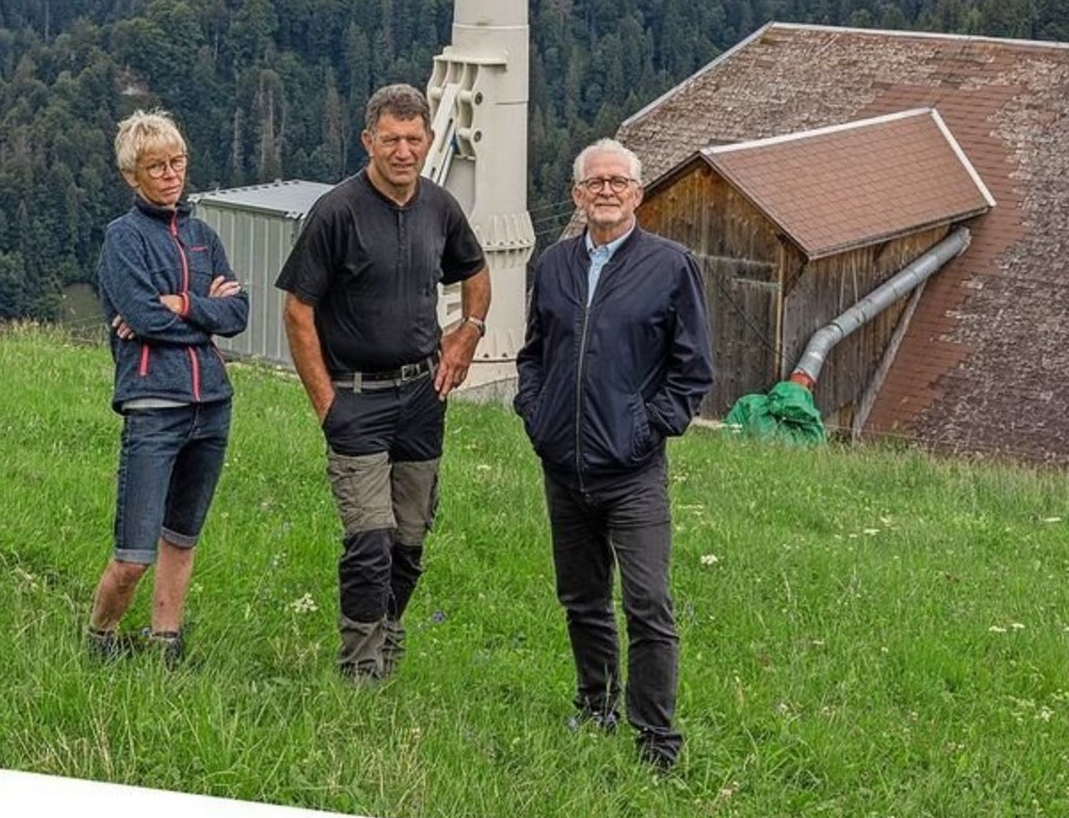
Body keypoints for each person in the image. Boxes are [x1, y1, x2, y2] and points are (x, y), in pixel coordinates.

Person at [276, 82, 491, 682]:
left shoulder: (440, 207)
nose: (403, 150)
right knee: (370, 539)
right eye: (390, 139)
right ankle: (360, 664)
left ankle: (390, 632)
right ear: (368, 140)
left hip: (422, 396)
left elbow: (475, 271)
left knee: (411, 541)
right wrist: (326, 405)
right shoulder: (337, 212)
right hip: (356, 398)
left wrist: (468, 330)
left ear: (428, 141)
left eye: (413, 139)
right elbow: (297, 311)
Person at [515, 137, 713, 771]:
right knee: (582, 597)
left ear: (638, 194)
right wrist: (536, 413)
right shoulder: (554, 265)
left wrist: (644, 431)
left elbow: (692, 373)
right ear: (576, 195)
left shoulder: (671, 265)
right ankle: (595, 706)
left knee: (648, 604)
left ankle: (657, 739)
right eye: (593, 182)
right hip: (563, 467)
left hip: (632, 473)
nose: (605, 191)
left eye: (617, 182)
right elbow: (534, 355)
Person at [88, 108, 248, 662]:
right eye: (157, 166)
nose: (171, 174)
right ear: (133, 175)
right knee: (134, 554)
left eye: (177, 162)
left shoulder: (202, 235)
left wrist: (180, 306)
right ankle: (100, 638)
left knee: (182, 537)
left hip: (213, 406)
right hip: (153, 405)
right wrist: (203, 314)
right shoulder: (122, 241)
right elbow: (144, 317)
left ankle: (165, 644)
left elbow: (240, 313)